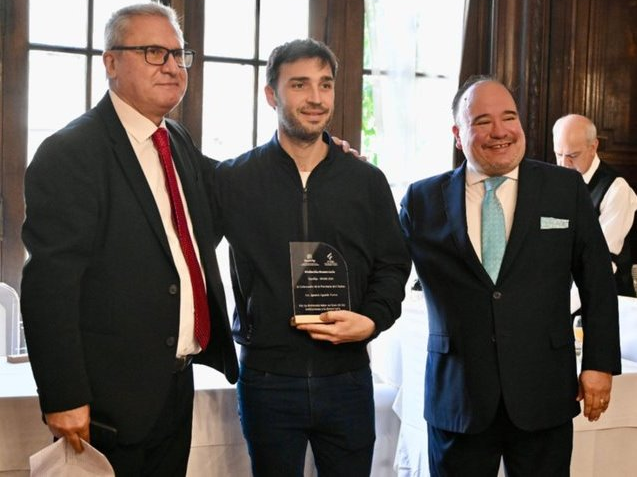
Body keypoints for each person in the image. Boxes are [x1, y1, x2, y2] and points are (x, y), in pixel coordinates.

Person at [20, 2, 238, 476]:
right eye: (154, 52)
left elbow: (234, 186)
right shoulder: (72, 153)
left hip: (173, 392)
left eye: (180, 55)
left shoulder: (174, 139)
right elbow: (48, 287)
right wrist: (64, 395)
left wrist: (313, 154)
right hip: (104, 404)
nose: (173, 67)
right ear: (111, 63)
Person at [399, 75, 621, 476]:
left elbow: (597, 282)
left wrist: (599, 364)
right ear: (457, 133)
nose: (499, 131)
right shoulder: (421, 200)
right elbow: (385, 270)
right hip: (459, 398)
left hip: (544, 393)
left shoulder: (564, 189)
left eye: (509, 117)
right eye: (482, 120)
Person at [211, 38, 411, 476]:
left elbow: (394, 263)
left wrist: (374, 319)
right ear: (271, 95)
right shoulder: (232, 180)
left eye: (325, 85)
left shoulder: (366, 180)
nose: (316, 98)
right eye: (300, 85)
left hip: (348, 376)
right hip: (267, 378)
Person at [553, 113, 637, 297]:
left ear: (593, 147)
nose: (564, 164)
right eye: (559, 154)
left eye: (573, 155)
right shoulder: (553, 181)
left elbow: (599, 262)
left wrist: (560, 307)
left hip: (606, 299)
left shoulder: (617, 190)